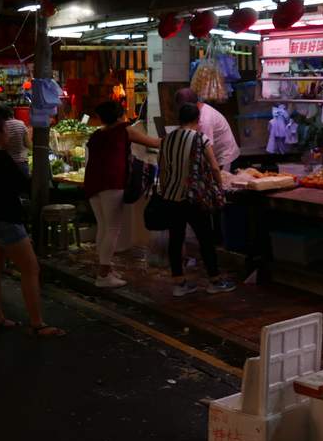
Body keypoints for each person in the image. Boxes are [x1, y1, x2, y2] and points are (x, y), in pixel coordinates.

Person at [0, 106, 64, 337]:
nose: (8, 133)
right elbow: (22, 184)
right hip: (5, 217)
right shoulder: (1, 157)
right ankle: (37, 324)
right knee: (31, 268)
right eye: (4, 129)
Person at [156, 103, 235, 296]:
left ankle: (179, 283)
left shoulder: (167, 139)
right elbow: (215, 167)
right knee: (205, 238)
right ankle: (214, 280)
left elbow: (163, 168)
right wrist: (220, 186)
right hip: (194, 198)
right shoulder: (201, 138)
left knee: (176, 239)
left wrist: (167, 190)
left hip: (172, 197)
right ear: (197, 120)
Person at [84, 100, 159, 287]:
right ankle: (103, 274)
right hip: (112, 182)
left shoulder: (96, 135)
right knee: (112, 229)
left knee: (103, 226)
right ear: (120, 114)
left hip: (92, 183)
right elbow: (155, 143)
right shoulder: (124, 131)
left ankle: (104, 269)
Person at [175, 88, 239, 170]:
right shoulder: (196, 113)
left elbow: (207, 151)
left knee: (223, 181)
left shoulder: (204, 120)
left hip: (224, 158)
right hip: (215, 155)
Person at [3, 111, 32, 178]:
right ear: (12, 114)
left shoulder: (1, 126)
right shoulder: (20, 124)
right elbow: (28, 144)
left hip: (6, 163)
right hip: (21, 162)